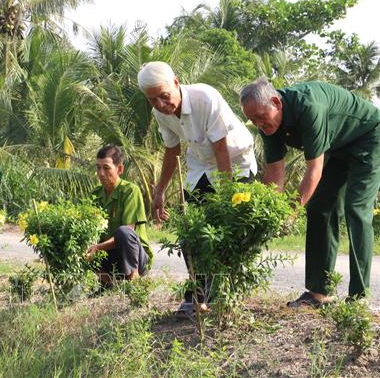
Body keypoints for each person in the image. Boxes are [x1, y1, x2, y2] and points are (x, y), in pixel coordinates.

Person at [239, 78, 380, 307]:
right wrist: (270, 214)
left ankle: (359, 297)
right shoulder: (267, 126)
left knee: (356, 208)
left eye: (261, 116)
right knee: (320, 207)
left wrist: (290, 213)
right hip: (338, 145)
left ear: (276, 102)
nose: (260, 123)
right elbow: (274, 173)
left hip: (369, 136)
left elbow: (314, 170)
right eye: (253, 120)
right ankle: (319, 292)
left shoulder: (309, 107)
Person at [137, 61, 257, 316]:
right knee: (190, 229)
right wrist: (159, 192)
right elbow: (172, 151)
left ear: (177, 83)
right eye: (152, 100)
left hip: (234, 163)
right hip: (201, 164)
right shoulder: (161, 112)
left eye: (164, 96)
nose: (159, 104)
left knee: (229, 229)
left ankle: (223, 295)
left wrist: (226, 197)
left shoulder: (205, 97)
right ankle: (196, 296)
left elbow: (221, 149)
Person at [86, 145, 153, 287]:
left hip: (135, 257)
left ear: (120, 169)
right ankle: (108, 282)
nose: (101, 173)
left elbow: (128, 231)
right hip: (109, 255)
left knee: (124, 232)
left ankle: (133, 279)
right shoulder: (95, 195)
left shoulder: (130, 191)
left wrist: (97, 247)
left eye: (106, 168)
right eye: (98, 168)